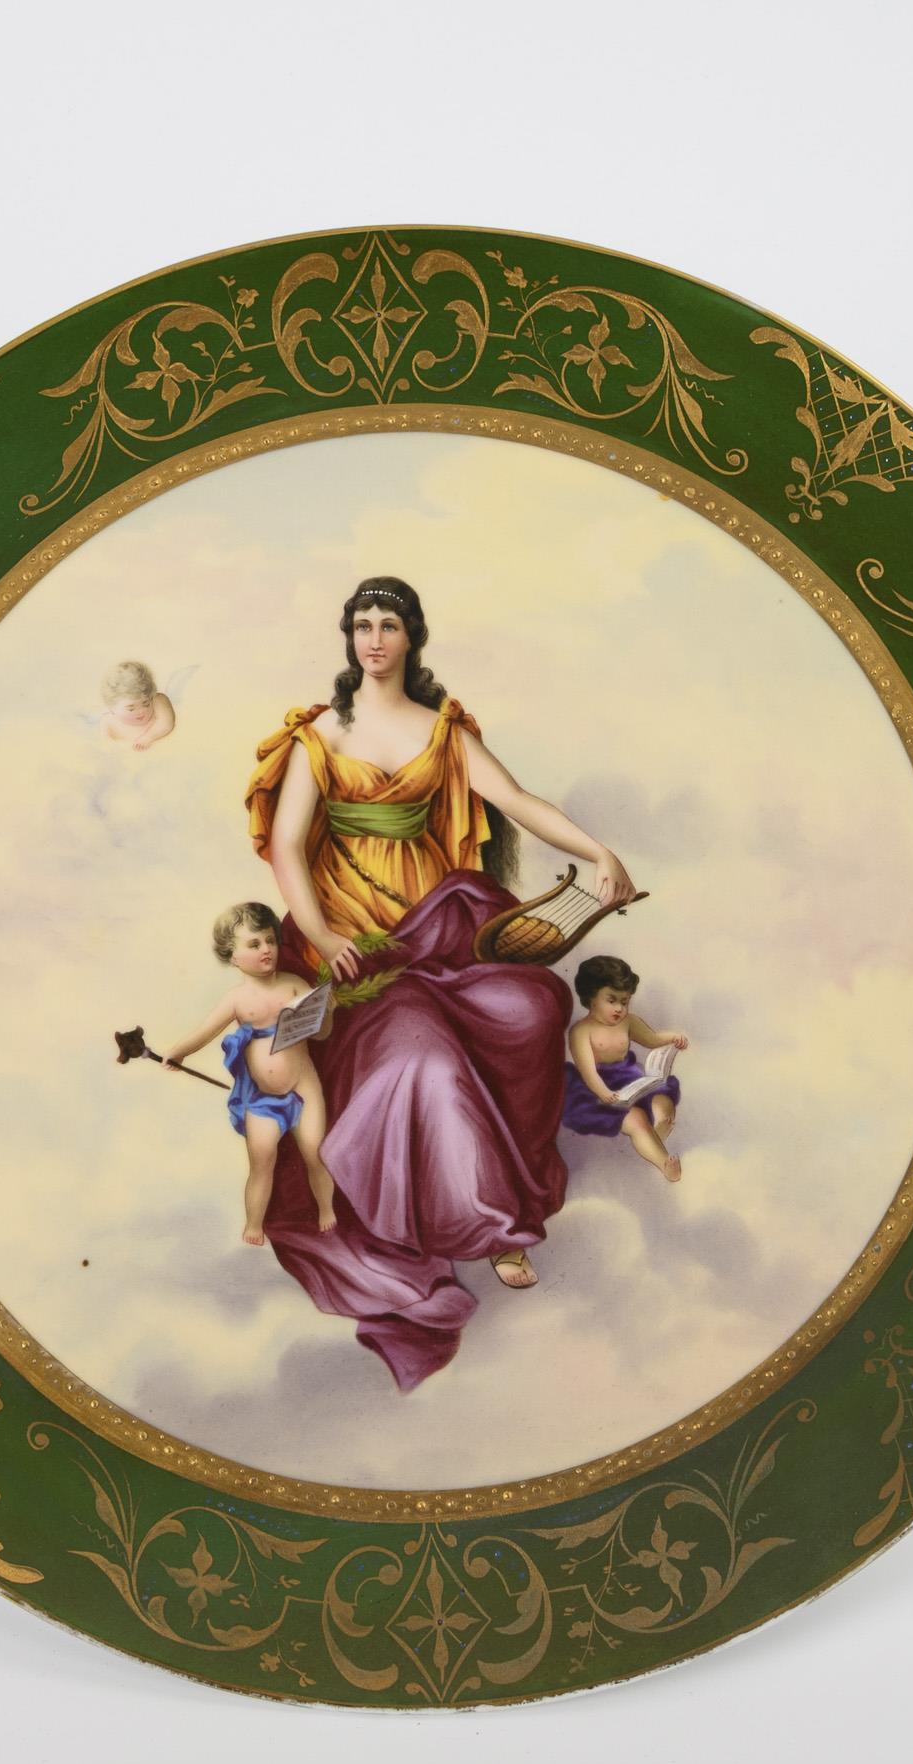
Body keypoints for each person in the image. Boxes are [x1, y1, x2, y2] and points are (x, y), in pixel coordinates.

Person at [242, 575, 639, 1387]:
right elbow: (285, 849)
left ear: (411, 636)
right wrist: (325, 935)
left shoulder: (442, 731)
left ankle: (496, 1193)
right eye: (362, 624)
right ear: (349, 636)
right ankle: (488, 1227)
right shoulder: (318, 736)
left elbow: (517, 799)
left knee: (531, 1006)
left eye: (389, 625)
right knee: (420, 1056)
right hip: (354, 944)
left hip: (441, 931)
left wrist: (599, 853)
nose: (374, 639)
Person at [159, 902, 339, 1242]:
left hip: (304, 1085)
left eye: (270, 940)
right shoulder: (237, 999)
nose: (266, 949)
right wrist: (178, 1052)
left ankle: (326, 1209)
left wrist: (326, 1013)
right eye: (254, 944)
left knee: (316, 1153)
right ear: (233, 956)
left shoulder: (294, 984)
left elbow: (321, 1035)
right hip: (261, 1097)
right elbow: (205, 1031)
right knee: (262, 1162)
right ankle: (254, 1223)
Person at [562, 954, 690, 1183]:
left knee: (663, 1102)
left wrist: (673, 1038)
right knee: (637, 1119)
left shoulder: (628, 1021)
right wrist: (603, 1093)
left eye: (625, 1001)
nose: (619, 1008)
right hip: (597, 1087)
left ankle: (656, 1134)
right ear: (591, 997)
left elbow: (652, 1039)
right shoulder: (581, 1031)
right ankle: (664, 1163)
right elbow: (588, 1071)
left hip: (629, 1077)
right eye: (611, 1000)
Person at [96, 660, 177, 750]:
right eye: (131, 709)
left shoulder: (158, 701)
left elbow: (167, 724)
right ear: (112, 708)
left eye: (146, 704)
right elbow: (106, 749)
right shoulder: (108, 723)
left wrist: (148, 738)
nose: (141, 711)